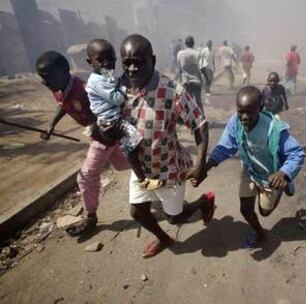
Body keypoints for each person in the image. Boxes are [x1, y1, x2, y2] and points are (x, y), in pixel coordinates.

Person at [120, 34, 215, 258]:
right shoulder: (118, 90)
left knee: (175, 217)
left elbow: (200, 125)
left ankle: (203, 201)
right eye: (127, 63)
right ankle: (164, 239)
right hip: (141, 170)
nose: (132, 69)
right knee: (138, 211)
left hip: (169, 170)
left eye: (138, 62)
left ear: (152, 60)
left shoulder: (172, 91)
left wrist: (200, 163)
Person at [198, 86, 305, 247]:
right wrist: (204, 168)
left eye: (250, 112)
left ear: (261, 108)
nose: (245, 117)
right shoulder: (236, 121)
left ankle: (283, 186)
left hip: (270, 175)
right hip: (249, 170)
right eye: (241, 111)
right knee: (245, 209)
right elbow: (225, 147)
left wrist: (283, 173)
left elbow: (297, 153)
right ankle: (261, 233)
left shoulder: (274, 129)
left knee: (265, 211)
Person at [36, 51, 130, 235]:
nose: (43, 82)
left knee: (86, 176)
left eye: (46, 77)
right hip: (101, 135)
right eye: (42, 78)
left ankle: (90, 218)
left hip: (105, 136)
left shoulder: (84, 89)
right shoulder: (59, 91)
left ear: (63, 72)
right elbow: (63, 105)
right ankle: (153, 167)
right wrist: (50, 126)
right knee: (121, 164)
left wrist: (97, 125)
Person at [85, 39, 148, 186]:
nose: (107, 63)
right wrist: (126, 87)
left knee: (133, 142)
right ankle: (142, 177)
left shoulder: (105, 73)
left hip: (113, 117)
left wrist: (123, 81)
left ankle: (141, 172)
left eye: (111, 59)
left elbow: (115, 83)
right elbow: (117, 98)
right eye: (101, 60)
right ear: (90, 62)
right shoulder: (96, 80)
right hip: (110, 121)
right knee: (134, 141)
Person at [177, 36, 204, 113]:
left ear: (185, 44)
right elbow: (199, 69)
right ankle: (202, 117)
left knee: (188, 102)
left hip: (186, 81)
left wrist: (180, 80)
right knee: (198, 101)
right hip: (196, 81)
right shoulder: (197, 53)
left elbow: (180, 69)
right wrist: (201, 80)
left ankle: (190, 119)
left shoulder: (180, 54)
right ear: (193, 44)